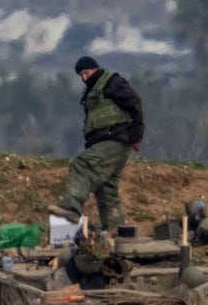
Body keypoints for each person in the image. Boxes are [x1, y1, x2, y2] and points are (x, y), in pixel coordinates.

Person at [51, 56, 143, 230]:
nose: (84, 78)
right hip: (107, 143)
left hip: (115, 140)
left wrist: (137, 135)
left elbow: (135, 103)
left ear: (95, 69)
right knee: (105, 189)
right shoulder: (93, 93)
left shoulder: (113, 83)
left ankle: (71, 207)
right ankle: (116, 233)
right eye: (81, 76)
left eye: (86, 73)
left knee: (81, 165)